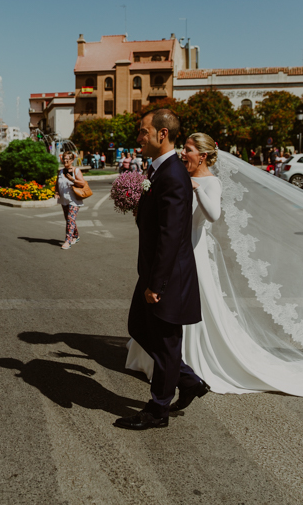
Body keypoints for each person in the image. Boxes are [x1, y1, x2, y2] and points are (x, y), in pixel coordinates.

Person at [126, 132, 303, 403]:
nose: (183, 153)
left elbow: (213, 215)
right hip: (179, 250)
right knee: (163, 318)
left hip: (192, 250)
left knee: (184, 314)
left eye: (188, 149)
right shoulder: (176, 177)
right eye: (183, 148)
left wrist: (196, 189)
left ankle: (189, 366)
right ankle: (175, 370)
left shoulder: (209, 182)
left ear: (204, 155)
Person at [114, 109, 207, 431]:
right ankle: (188, 380)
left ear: (161, 134)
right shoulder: (160, 171)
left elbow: (172, 234)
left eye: (143, 132)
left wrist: (157, 283)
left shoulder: (172, 175)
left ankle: (158, 410)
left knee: (166, 344)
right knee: (138, 327)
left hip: (166, 276)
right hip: (154, 271)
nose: (138, 138)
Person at [56, 152, 85, 250]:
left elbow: (82, 184)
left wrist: (73, 179)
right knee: (69, 219)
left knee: (70, 219)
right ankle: (76, 235)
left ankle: (68, 241)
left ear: (72, 160)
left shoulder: (76, 170)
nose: (65, 161)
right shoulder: (60, 172)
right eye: (64, 158)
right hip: (64, 199)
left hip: (74, 200)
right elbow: (57, 183)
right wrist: (56, 191)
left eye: (68, 159)